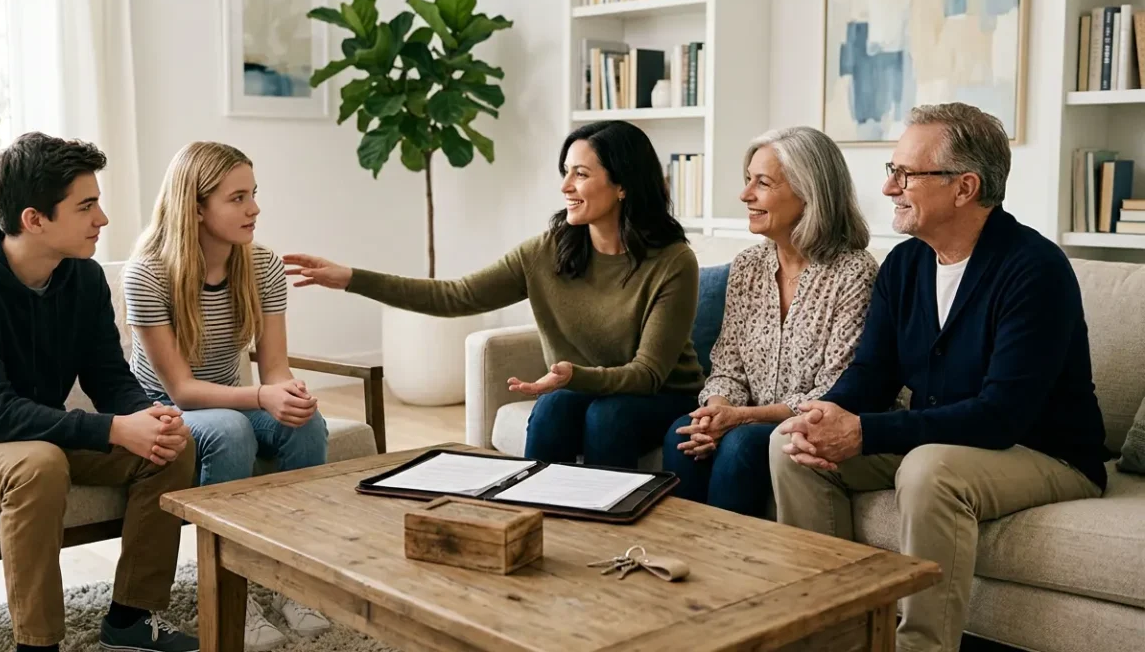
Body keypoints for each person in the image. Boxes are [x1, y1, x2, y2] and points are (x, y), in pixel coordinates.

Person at [768, 103, 1110, 652]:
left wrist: (865, 433)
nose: (889, 189)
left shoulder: (1035, 269)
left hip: (1045, 451)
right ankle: (831, 636)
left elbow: (1001, 417)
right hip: (954, 440)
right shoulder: (905, 267)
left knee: (930, 469)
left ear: (963, 187)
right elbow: (871, 376)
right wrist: (822, 416)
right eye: (891, 171)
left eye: (906, 175)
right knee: (791, 444)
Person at [0, 132, 199, 652]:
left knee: (169, 450)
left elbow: (108, 376)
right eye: (86, 206)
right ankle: (38, 644)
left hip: (32, 434)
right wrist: (116, 429)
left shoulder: (83, 277)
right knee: (39, 464)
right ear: (35, 219)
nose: (102, 219)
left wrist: (149, 417)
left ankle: (129, 620)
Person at [284, 120, 704, 467]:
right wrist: (352, 278)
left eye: (581, 173)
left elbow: (647, 374)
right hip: (583, 388)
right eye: (565, 171)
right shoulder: (546, 251)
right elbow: (456, 295)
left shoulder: (672, 262)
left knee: (608, 416)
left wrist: (574, 376)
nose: (565, 186)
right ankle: (533, 517)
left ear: (623, 186)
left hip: (657, 396)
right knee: (556, 409)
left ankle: (607, 530)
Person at [124, 140, 331, 647]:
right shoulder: (147, 274)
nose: (254, 208)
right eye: (237, 197)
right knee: (229, 430)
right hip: (168, 410)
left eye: (253, 194)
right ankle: (230, 594)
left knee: (307, 423)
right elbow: (182, 390)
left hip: (225, 398)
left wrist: (291, 395)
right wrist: (262, 398)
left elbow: (275, 368)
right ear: (196, 207)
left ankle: (289, 581)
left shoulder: (261, 266)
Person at [661, 126, 877, 517]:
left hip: (811, 424)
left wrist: (739, 418)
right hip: (747, 418)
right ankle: (683, 559)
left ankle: (731, 571)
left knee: (742, 444)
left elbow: (834, 391)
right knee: (684, 433)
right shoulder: (747, 266)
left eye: (762, 183)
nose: (746, 195)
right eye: (748, 181)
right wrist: (715, 411)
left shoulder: (854, 272)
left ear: (809, 192)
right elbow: (727, 366)